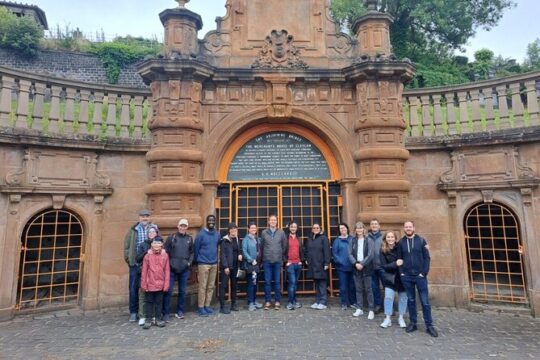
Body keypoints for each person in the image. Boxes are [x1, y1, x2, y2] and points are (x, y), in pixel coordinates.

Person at [397, 221, 439, 338]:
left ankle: (429, 325)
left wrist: (424, 273)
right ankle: (413, 323)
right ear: (404, 229)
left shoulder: (421, 241)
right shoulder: (401, 242)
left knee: (425, 302)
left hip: (420, 276)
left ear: (413, 228)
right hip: (407, 277)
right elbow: (399, 259)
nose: (408, 228)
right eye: (406, 227)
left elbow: (427, 258)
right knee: (411, 301)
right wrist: (402, 274)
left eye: (410, 227)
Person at [123, 208, 156, 322]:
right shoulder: (133, 230)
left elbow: (158, 243)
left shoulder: (154, 229)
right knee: (133, 288)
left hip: (150, 264)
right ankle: (133, 311)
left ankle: (147, 311)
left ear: (149, 217)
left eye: (146, 216)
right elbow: (126, 247)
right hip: (135, 264)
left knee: (149, 287)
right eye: (142, 216)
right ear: (139, 217)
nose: (144, 218)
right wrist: (130, 260)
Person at [163, 218, 194, 321]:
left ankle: (180, 311)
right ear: (178, 226)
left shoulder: (189, 238)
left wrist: (189, 262)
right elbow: (165, 252)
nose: (182, 228)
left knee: (182, 291)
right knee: (168, 291)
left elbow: (192, 252)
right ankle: (166, 313)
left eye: (184, 226)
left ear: (187, 227)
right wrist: (169, 264)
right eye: (181, 225)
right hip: (171, 269)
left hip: (184, 269)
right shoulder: (171, 237)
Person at [379, 230, 408, 328]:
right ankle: (387, 318)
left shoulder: (400, 248)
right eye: (388, 237)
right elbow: (384, 266)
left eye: (392, 237)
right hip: (390, 277)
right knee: (388, 297)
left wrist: (424, 246)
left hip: (402, 277)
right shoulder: (383, 250)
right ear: (385, 239)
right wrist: (395, 264)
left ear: (395, 239)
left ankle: (401, 317)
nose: (390, 239)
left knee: (403, 298)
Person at [140, 236, 170, 329]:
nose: (156, 245)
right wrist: (143, 284)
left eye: (158, 243)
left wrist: (166, 284)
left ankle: (158, 318)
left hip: (160, 283)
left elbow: (167, 271)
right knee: (148, 302)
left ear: (162, 245)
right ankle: (148, 319)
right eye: (154, 243)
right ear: (151, 245)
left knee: (159, 302)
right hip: (150, 283)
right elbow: (144, 271)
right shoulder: (147, 256)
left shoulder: (165, 256)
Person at [194, 214, 220, 317]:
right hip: (203, 263)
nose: (211, 222)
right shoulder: (201, 234)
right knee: (202, 286)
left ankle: (207, 305)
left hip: (214, 263)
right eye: (209, 220)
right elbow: (196, 249)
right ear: (206, 221)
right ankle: (201, 307)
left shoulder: (217, 234)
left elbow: (217, 246)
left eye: (213, 220)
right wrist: (198, 261)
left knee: (210, 286)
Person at [348, 221, 375, 320]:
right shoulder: (352, 240)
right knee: (358, 289)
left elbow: (370, 254)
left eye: (361, 228)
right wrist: (355, 263)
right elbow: (349, 253)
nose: (359, 230)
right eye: (357, 228)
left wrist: (362, 264)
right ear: (355, 230)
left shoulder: (369, 240)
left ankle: (371, 309)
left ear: (364, 229)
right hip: (356, 266)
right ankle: (359, 308)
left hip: (366, 267)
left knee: (368, 289)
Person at [260, 215, 287, 310]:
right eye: (271, 220)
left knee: (277, 282)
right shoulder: (264, 233)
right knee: (267, 282)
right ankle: (267, 301)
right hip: (267, 261)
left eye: (274, 220)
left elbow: (284, 246)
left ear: (276, 222)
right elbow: (261, 246)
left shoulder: (281, 232)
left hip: (277, 261)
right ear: (268, 222)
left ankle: (277, 301)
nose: (273, 221)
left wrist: (280, 255)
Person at [135, 225, 160, 326]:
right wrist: (147, 252)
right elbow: (137, 258)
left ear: (156, 233)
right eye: (149, 232)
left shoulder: (159, 244)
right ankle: (142, 316)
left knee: (154, 296)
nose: (151, 234)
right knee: (142, 295)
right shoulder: (142, 245)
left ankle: (153, 315)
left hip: (155, 274)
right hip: (144, 273)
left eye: (153, 232)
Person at [218, 222, 242, 314]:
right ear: (229, 231)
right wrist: (225, 266)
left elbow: (239, 250)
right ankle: (222, 306)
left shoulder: (237, 239)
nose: (233, 231)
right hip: (227, 267)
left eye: (235, 230)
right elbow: (223, 254)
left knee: (234, 285)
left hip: (235, 266)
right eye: (232, 230)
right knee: (224, 286)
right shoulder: (224, 240)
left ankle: (233, 304)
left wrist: (240, 254)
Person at [306, 223, 330, 310]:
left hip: (321, 264)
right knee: (316, 283)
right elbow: (308, 250)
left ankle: (323, 302)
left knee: (322, 283)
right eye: (314, 228)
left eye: (317, 228)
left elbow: (327, 251)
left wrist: (327, 263)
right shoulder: (310, 239)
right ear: (312, 229)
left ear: (320, 229)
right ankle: (318, 301)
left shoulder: (324, 238)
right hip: (313, 264)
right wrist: (307, 259)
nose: (316, 229)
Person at [332, 223, 355, 310]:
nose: (343, 229)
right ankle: (344, 303)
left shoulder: (352, 239)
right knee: (343, 286)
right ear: (339, 230)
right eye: (341, 228)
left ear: (347, 228)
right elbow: (335, 253)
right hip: (342, 267)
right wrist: (341, 262)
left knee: (352, 285)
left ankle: (353, 302)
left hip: (352, 266)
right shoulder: (337, 241)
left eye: (344, 228)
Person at [242, 222, 263, 311]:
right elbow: (244, 251)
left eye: (255, 228)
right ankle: (250, 302)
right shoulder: (246, 239)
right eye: (252, 228)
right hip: (250, 265)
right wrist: (251, 260)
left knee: (255, 284)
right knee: (251, 284)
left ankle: (254, 301)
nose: (254, 229)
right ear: (248, 229)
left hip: (257, 265)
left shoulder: (257, 239)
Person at [284, 221, 303, 310]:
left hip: (298, 264)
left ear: (297, 228)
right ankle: (290, 302)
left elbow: (302, 250)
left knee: (295, 283)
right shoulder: (286, 238)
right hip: (290, 264)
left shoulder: (299, 238)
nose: (293, 228)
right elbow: (282, 250)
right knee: (292, 283)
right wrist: (285, 261)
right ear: (289, 228)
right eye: (291, 226)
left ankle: (294, 300)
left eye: (294, 227)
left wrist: (301, 261)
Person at [367, 219, 384, 313]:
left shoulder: (384, 236)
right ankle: (377, 305)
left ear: (379, 226)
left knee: (387, 287)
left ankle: (388, 306)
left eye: (376, 224)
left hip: (382, 266)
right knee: (374, 287)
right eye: (372, 224)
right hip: (371, 266)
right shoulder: (367, 237)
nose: (374, 225)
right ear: (370, 226)